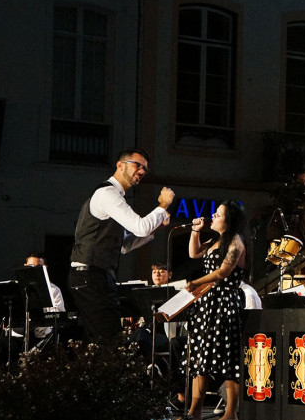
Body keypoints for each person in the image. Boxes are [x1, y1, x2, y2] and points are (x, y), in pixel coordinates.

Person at [68, 149, 174, 343]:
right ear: (120, 165)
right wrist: (162, 206)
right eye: (137, 165)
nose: (142, 171)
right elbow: (140, 227)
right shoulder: (107, 194)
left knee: (100, 342)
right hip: (90, 276)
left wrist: (156, 228)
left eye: (145, 169)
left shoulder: (116, 199)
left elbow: (123, 246)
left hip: (95, 276)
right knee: (109, 340)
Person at [183, 200, 250, 420]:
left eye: (218, 214)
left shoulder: (236, 241)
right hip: (207, 304)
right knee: (200, 356)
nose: (213, 216)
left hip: (225, 303)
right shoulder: (215, 240)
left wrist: (196, 282)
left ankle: (231, 412)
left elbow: (223, 272)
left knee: (229, 358)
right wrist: (195, 231)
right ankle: (195, 411)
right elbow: (194, 254)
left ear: (228, 221)